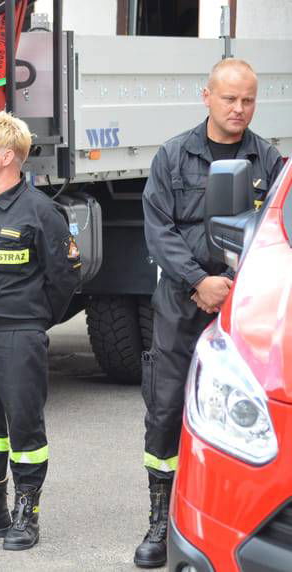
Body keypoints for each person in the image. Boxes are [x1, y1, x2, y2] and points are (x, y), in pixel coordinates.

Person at [136, 58, 284, 568]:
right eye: (229, 99)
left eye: (247, 100)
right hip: (182, 301)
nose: (239, 108)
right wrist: (199, 281)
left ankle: (239, 519)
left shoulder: (270, 161)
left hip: (245, 307)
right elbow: (158, 230)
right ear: (206, 97)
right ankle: (161, 517)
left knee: (245, 418)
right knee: (167, 409)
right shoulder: (174, 156)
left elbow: (277, 237)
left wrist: (231, 287)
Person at [0, 111, 80, 550]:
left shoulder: (42, 212)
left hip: (17, 334)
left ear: (8, 156)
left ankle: (27, 512)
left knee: (24, 427)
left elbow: (64, 279)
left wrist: (33, 321)